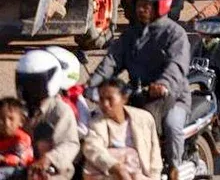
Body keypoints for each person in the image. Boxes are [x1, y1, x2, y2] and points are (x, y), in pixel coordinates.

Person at [88, 0, 189, 179]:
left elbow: (176, 66)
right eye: (138, 5)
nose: (141, 9)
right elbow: (111, 62)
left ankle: (175, 167)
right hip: (138, 95)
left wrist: (163, 84)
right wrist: (90, 86)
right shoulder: (130, 35)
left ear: (161, 5)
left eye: (146, 5)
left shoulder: (175, 33)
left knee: (171, 125)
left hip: (172, 98)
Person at [16, 50, 79, 180]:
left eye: (34, 83)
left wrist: (49, 158)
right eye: (25, 82)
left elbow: (70, 144)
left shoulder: (60, 110)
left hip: (53, 171)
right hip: (20, 164)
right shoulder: (18, 109)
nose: (28, 88)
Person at [83, 79, 162, 180]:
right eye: (101, 99)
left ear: (124, 98)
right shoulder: (97, 123)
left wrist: (154, 177)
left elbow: (154, 153)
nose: (105, 104)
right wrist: (116, 167)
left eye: (110, 99)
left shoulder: (144, 118)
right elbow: (93, 148)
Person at [0, 97, 33, 178]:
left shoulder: (22, 138)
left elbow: (20, 160)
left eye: (11, 119)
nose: (6, 124)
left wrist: (4, 159)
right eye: (1, 119)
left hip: (20, 170)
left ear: (21, 121)